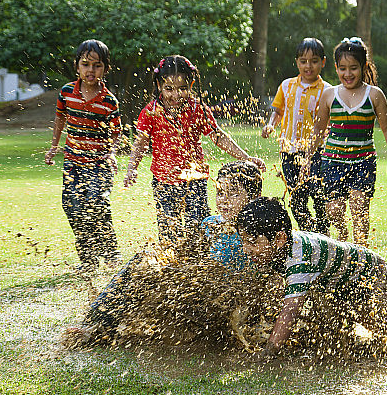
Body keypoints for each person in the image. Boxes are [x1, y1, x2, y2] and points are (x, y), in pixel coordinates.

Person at [235, 197, 387, 360]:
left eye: (252, 242)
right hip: (340, 285)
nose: (246, 249)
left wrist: (269, 353)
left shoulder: (300, 261)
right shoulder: (274, 249)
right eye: (243, 241)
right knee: (336, 334)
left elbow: (290, 311)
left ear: (279, 238)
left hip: (369, 274)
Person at [76, 160, 264, 343]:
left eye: (233, 194)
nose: (224, 200)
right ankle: (97, 321)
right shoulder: (210, 224)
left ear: (254, 196)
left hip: (227, 301)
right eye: (220, 193)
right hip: (201, 293)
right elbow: (189, 256)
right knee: (143, 262)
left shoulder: (256, 229)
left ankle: (100, 326)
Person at [124, 55, 266, 244]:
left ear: (191, 86)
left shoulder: (197, 109)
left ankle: (200, 265)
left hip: (194, 179)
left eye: (182, 89)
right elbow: (141, 142)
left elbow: (218, 136)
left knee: (198, 228)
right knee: (168, 230)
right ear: (159, 86)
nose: (175, 95)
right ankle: (171, 265)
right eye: (169, 89)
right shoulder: (151, 111)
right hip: (164, 181)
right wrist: (132, 167)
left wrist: (245, 156)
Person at [303, 37, 387, 246]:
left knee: (359, 208)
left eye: (353, 68)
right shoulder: (329, 95)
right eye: (343, 68)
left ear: (364, 67)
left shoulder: (374, 95)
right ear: (336, 68)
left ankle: (361, 253)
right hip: (332, 162)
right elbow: (318, 130)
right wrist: (308, 158)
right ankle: (343, 235)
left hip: (363, 162)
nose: (348, 74)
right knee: (334, 210)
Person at [45, 39, 121, 275]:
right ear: (77, 66)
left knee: (97, 202)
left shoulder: (109, 101)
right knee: (72, 206)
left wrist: (112, 153)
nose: (91, 70)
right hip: (73, 162)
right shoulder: (67, 92)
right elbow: (60, 119)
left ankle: (110, 252)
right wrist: (53, 146)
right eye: (85, 64)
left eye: (97, 65)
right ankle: (87, 258)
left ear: (105, 69)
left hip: (100, 164)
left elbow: (116, 132)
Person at [262, 38, 330, 235]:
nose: (308, 66)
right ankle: (308, 233)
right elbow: (278, 110)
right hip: (289, 151)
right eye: (303, 61)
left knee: (318, 195)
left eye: (314, 61)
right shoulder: (286, 86)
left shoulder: (328, 90)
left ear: (323, 62)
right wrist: (270, 125)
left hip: (317, 152)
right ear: (297, 62)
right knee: (296, 197)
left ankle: (323, 234)